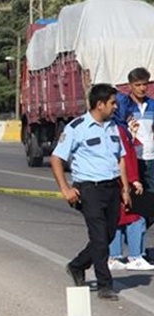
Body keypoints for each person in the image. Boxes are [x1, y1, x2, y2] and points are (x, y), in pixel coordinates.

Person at [51, 83, 131, 301]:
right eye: (113, 103)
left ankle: (77, 265)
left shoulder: (113, 126)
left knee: (108, 235)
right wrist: (66, 189)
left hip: (111, 188)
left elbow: (120, 159)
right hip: (89, 189)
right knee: (98, 236)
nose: (116, 107)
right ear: (100, 104)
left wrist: (125, 189)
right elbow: (56, 158)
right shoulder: (77, 128)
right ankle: (105, 284)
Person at [108, 117, 154, 271]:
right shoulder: (118, 131)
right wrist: (133, 180)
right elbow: (126, 158)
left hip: (118, 181)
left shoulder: (116, 130)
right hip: (125, 181)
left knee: (119, 219)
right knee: (136, 218)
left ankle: (114, 256)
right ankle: (135, 256)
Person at [116, 67, 154, 191]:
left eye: (145, 84)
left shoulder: (152, 105)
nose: (142, 88)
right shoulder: (123, 105)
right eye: (137, 85)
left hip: (151, 157)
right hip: (132, 159)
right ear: (130, 85)